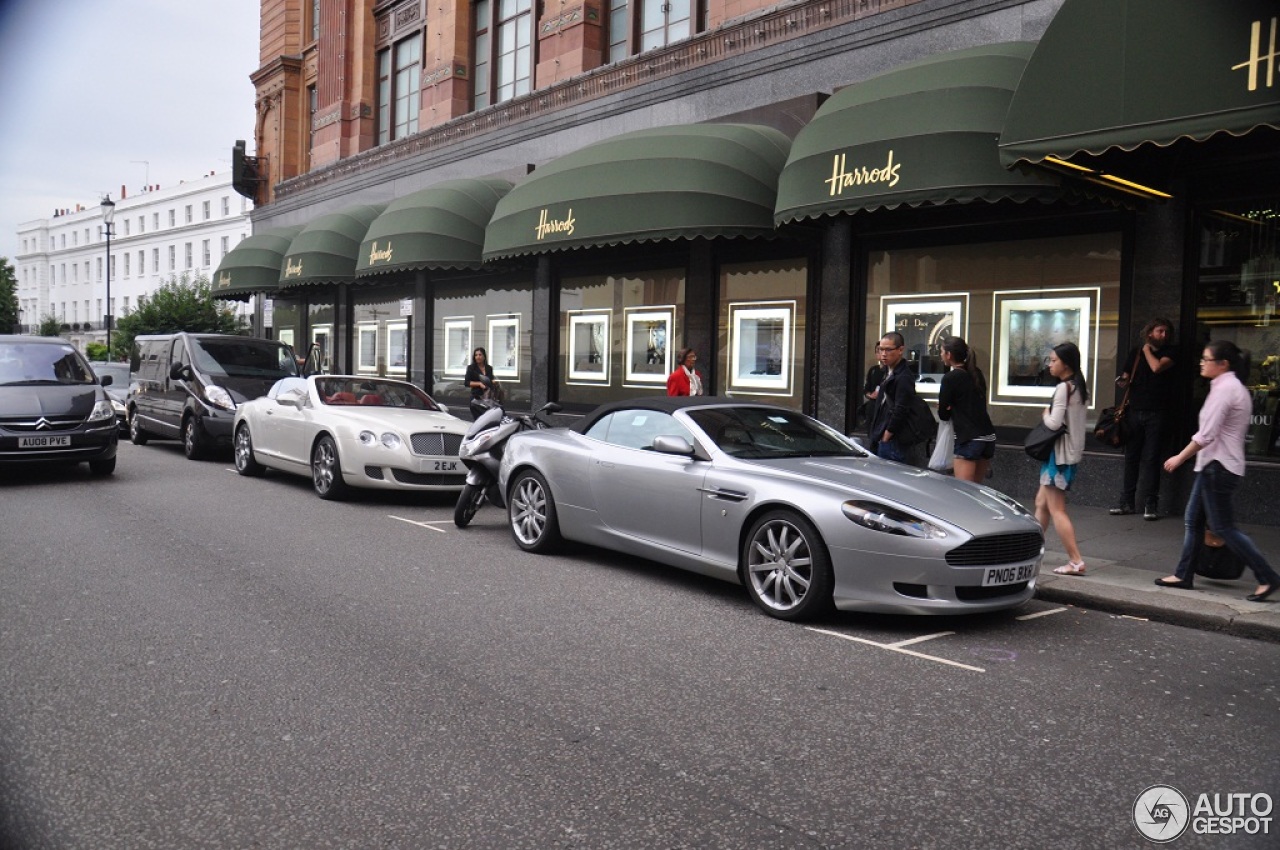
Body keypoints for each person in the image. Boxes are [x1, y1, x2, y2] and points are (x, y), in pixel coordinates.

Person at [1154, 340, 1280, 601]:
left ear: (1223, 364)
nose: (1202, 363)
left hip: (1218, 467)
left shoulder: (1225, 390)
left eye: (1206, 359)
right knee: (1194, 521)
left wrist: (1179, 457)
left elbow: (1206, 435)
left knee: (1223, 528)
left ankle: (1267, 577)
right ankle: (1183, 574)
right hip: (1216, 466)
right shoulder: (1229, 387)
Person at [1110, 318, 1177, 520]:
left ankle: (1151, 504)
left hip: (1157, 413)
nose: (1163, 335)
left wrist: (1146, 350)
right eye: (1159, 331)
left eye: (1166, 332)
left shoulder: (1170, 352)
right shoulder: (1135, 353)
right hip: (1135, 411)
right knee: (1131, 458)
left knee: (1151, 459)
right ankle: (1126, 502)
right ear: (1150, 333)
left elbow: (1157, 367)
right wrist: (1122, 381)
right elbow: (1126, 375)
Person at [1035, 342, 1089, 575]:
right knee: (1041, 504)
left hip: (1058, 456)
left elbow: (1055, 423)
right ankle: (1031, 550)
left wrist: (1045, 415)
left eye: (1054, 360)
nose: (1050, 364)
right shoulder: (1079, 388)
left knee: (1056, 509)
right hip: (1068, 454)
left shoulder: (1063, 389)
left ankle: (1075, 560)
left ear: (1066, 364)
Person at [937, 336, 996, 482]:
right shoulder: (976, 373)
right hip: (988, 436)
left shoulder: (950, 378)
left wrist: (949, 408)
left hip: (968, 438)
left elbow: (943, 414)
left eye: (941, 351)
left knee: (964, 491)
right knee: (977, 489)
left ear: (949, 355)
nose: (940, 355)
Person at [867, 331, 924, 467]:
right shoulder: (888, 372)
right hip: (882, 435)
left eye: (888, 349)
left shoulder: (903, 376)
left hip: (893, 440)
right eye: (881, 349)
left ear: (900, 350)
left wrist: (887, 435)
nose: (884, 354)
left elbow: (901, 408)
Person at [464, 346, 496, 419]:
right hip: (476, 398)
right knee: (479, 420)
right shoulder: (471, 368)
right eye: (476, 355)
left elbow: (490, 380)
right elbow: (466, 383)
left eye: (480, 355)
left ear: (484, 356)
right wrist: (479, 384)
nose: (478, 357)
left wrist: (493, 382)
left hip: (488, 398)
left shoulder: (489, 368)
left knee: (488, 419)